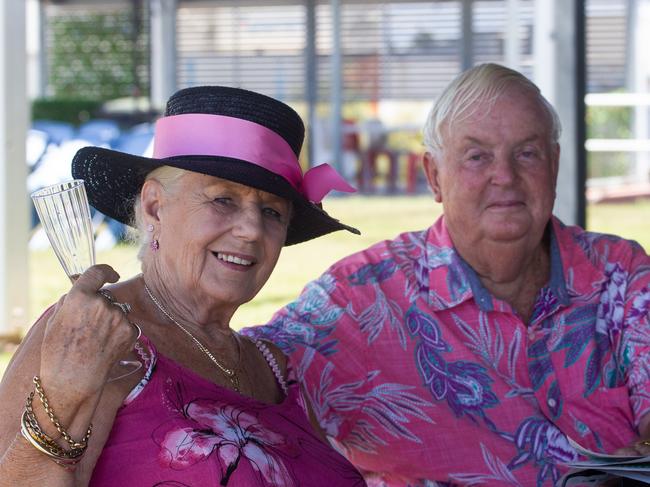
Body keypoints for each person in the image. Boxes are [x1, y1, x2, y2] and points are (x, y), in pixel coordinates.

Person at [243, 63, 650, 486]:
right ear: (434, 176)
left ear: (555, 164)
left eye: (527, 153)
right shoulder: (362, 299)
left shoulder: (619, 272)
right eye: (478, 157)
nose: (505, 176)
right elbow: (242, 373)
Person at [0, 86, 367, 486]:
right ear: (155, 206)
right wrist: (64, 395)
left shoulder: (275, 368)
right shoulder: (91, 336)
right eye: (223, 200)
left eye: (271, 212)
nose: (251, 230)